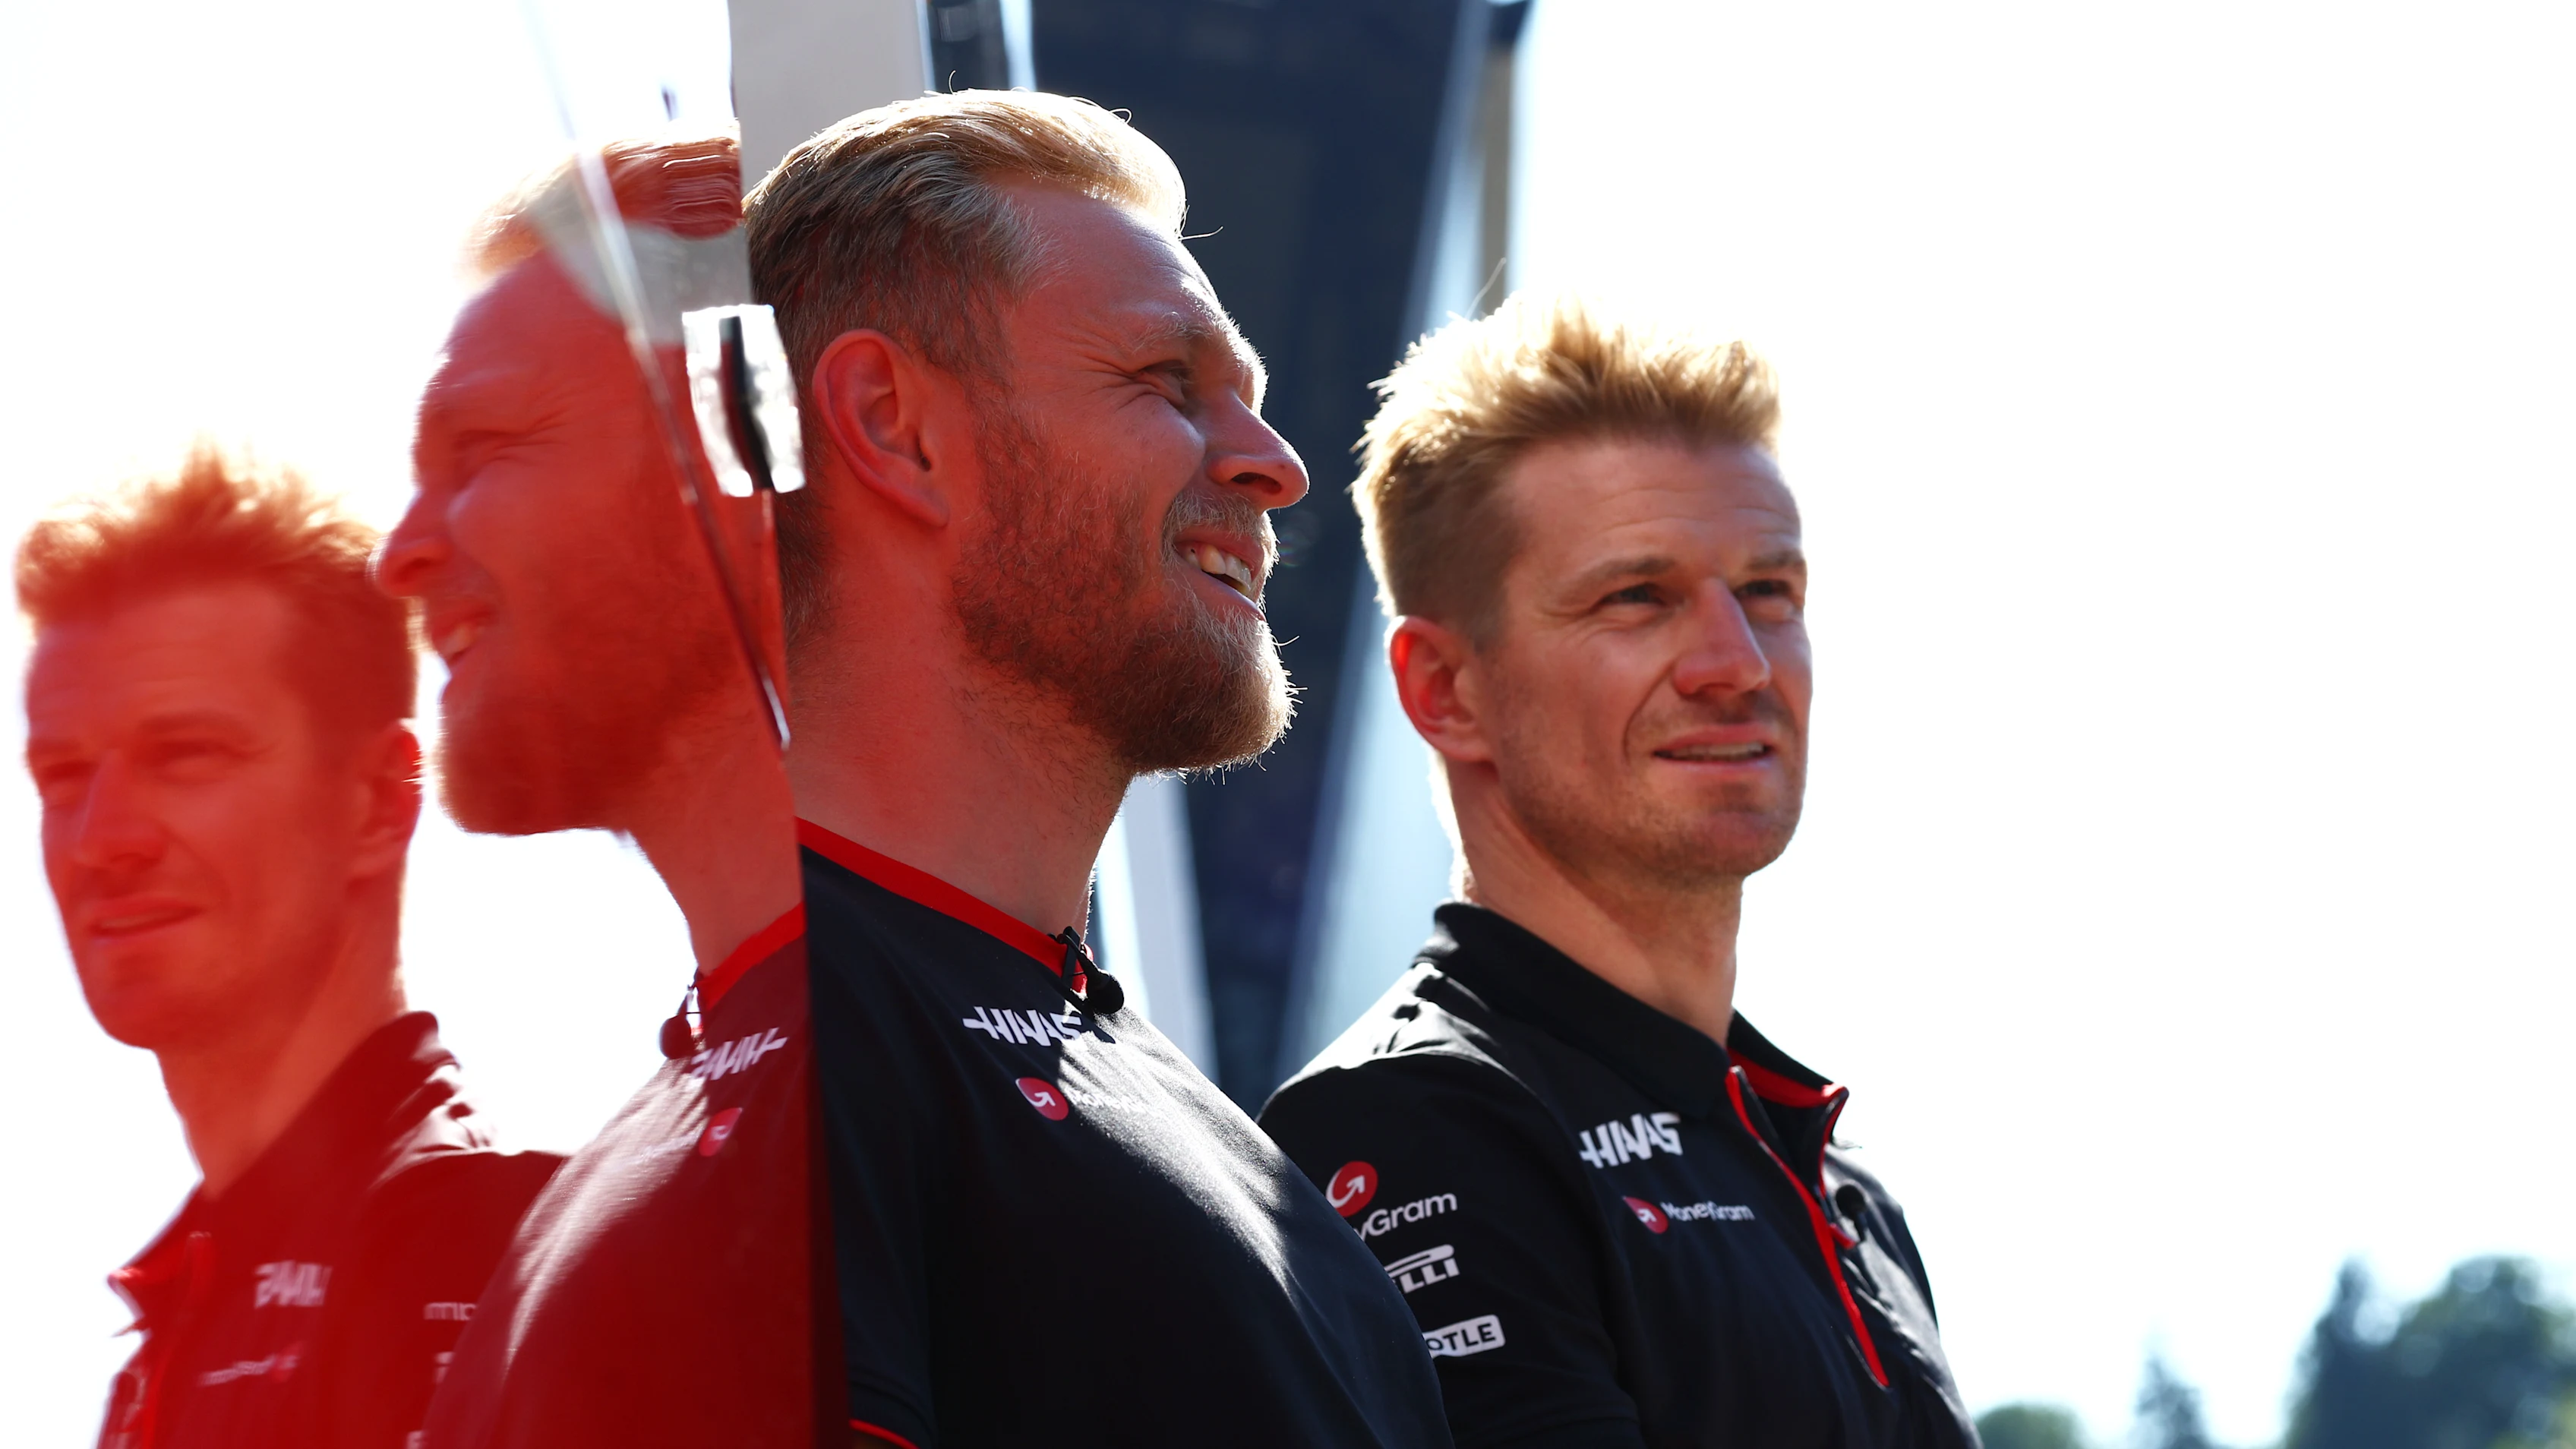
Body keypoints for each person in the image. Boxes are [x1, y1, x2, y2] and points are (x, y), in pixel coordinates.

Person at [743, 90, 1451, 1449]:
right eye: (1162, 383)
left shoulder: (1254, 1171)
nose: (1279, 466)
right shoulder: (792, 1070)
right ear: (893, 425)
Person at [1257, 295, 1981, 1448]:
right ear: (1447, 690)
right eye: (1637, 597)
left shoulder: (1842, 1185)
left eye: (1769, 593)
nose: (1737, 665)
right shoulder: (1409, 1124)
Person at [379, 133, 825, 1447]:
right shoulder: (668, 1147)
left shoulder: (905, 1098)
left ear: (747, 437)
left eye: (486, 448)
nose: (400, 556)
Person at [18, 449, 560, 1449]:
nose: (101, 837)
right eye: (62, 775)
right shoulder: (182, 1307)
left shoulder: (500, 1256)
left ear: (377, 799)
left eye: (185, 755)